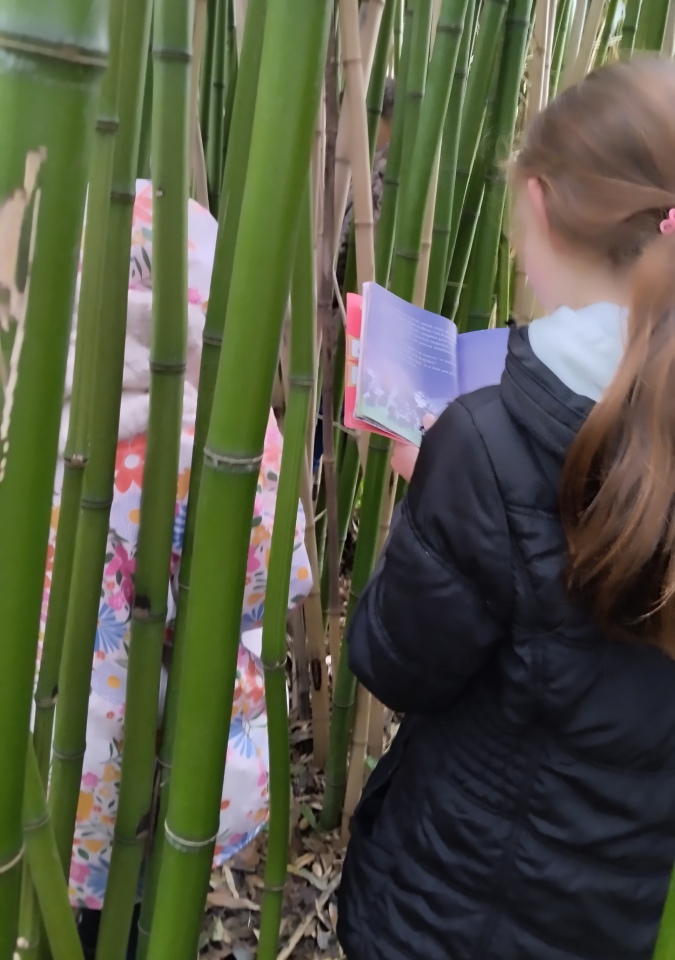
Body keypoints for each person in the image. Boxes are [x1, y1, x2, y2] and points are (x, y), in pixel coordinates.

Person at [337, 57, 675, 960]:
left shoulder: (487, 444)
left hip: (455, 904)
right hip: (614, 903)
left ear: (538, 203)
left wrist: (433, 487)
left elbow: (394, 660)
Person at [38, 180, 313, 955]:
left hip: (44, 757)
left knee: (48, 909)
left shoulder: (34, 424)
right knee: (134, 918)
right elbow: (273, 585)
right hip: (157, 760)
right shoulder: (220, 443)